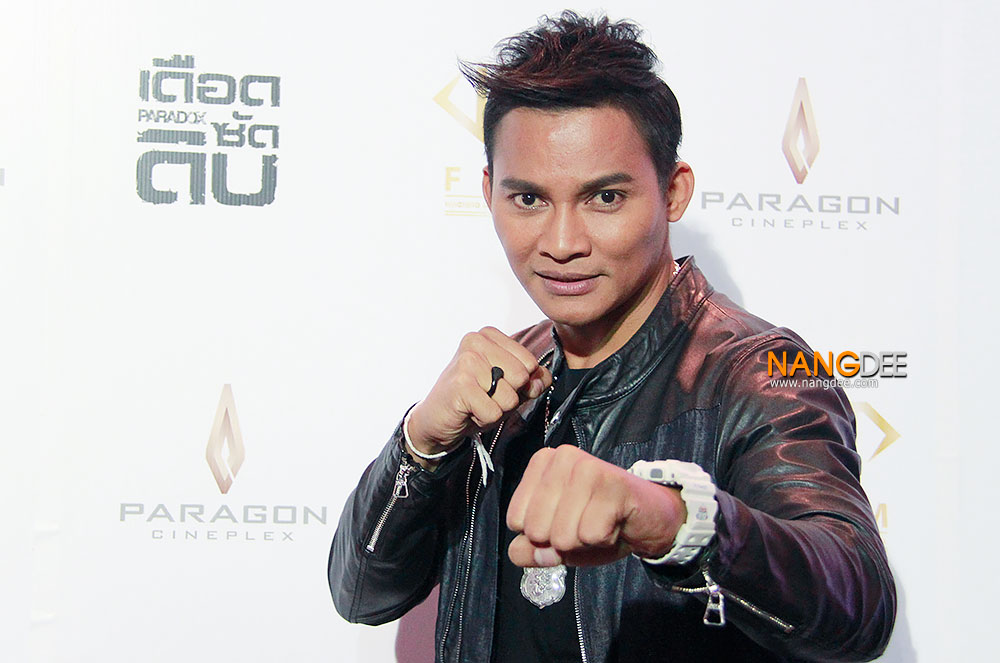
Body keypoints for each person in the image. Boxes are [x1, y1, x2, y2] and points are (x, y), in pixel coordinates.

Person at [328, 11, 895, 662]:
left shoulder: (759, 372)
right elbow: (361, 594)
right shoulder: (500, 376)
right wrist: (422, 444)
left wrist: (674, 522)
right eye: (529, 199)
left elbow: (857, 605)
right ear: (489, 193)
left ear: (673, 192)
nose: (562, 243)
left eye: (604, 198)